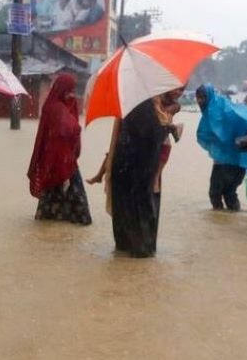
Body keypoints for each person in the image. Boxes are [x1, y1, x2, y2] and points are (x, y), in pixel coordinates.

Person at [107, 88, 183, 257]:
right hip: (140, 170)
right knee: (141, 220)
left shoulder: (129, 102)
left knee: (125, 217)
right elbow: (150, 134)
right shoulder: (144, 105)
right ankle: (140, 252)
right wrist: (169, 128)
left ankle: (125, 253)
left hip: (124, 165)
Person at [195, 84, 247, 211]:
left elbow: (217, 134)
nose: (200, 101)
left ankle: (218, 224)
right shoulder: (225, 107)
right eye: (198, 97)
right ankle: (231, 223)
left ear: (209, 96)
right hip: (239, 162)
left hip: (224, 163)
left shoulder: (215, 111)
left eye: (202, 97)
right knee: (230, 193)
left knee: (215, 194)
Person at [27, 74, 92, 225]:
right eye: (70, 90)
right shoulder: (58, 109)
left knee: (48, 212)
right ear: (63, 90)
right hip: (63, 162)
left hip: (51, 163)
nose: (72, 94)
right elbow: (65, 134)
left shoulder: (53, 106)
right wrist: (65, 173)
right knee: (81, 216)